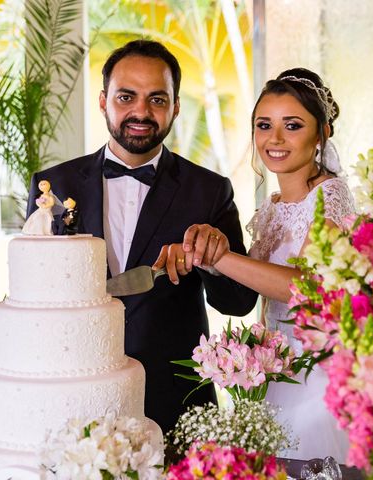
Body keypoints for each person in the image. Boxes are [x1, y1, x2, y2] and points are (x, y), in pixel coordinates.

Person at [26, 40, 258, 433]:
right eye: (126, 97)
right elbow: (35, 292)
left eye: (157, 99)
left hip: (176, 403)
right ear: (103, 101)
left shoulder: (209, 190)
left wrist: (212, 260)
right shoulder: (54, 184)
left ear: (176, 106)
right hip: (74, 396)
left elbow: (238, 303)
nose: (141, 112)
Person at [153, 68, 354, 461]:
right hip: (273, 369)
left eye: (292, 126)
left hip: (317, 372)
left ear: (322, 133)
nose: (274, 139)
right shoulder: (273, 206)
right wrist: (205, 255)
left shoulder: (331, 196)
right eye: (264, 125)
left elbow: (304, 287)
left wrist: (221, 257)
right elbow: (254, 289)